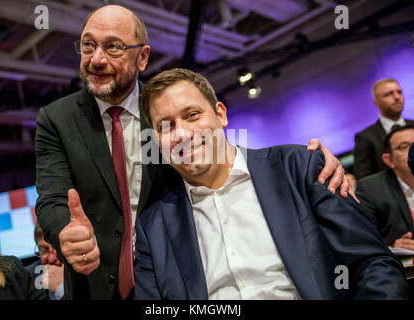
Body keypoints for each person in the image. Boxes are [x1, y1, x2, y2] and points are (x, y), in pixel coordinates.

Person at [35, 5, 349, 300]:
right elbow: (52, 197)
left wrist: (304, 162)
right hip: (94, 281)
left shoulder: (164, 109)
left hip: (177, 274)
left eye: (113, 47)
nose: (97, 59)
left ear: (142, 57)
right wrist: (65, 230)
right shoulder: (56, 119)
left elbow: (219, 151)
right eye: (88, 45)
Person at [133, 68, 411, 300]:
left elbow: (373, 264)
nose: (182, 133)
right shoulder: (153, 227)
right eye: (165, 126)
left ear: (221, 114)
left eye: (192, 115)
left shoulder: (299, 168)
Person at [356, 125, 414, 250]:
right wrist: (393, 247)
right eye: (405, 146)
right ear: (389, 160)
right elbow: (364, 240)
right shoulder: (370, 189)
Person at [353, 78, 414, 180]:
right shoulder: (364, 137)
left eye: (399, 92)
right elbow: (364, 179)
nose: (396, 97)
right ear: (376, 102)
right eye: (388, 94)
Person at [0, 227, 47, 300]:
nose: (51, 258)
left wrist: (58, 290)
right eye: (43, 250)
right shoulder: (31, 271)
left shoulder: (12, 272)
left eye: (55, 250)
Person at [26, 222, 64, 300]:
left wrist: (60, 290)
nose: (51, 259)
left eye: (58, 248)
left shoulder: (88, 272)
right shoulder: (28, 277)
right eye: (44, 250)